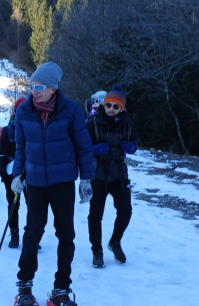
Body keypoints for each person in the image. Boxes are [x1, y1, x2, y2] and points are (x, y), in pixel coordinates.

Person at [10, 62, 94, 306]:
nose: (33, 91)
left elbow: (83, 146)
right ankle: (24, 287)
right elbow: (20, 148)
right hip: (35, 183)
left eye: (39, 86)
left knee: (65, 234)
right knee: (33, 232)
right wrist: (17, 175)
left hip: (63, 182)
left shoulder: (71, 111)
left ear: (52, 89)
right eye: (32, 85)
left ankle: (61, 290)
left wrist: (86, 178)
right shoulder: (24, 111)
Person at [85, 85, 138, 268]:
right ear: (104, 105)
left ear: (122, 108)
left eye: (116, 107)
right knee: (95, 215)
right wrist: (93, 149)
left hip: (119, 174)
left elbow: (135, 141)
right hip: (98, 174)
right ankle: (97, 250)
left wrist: (131, 146)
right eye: (109, 105)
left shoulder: (127, 124)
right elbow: (81, 147)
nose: (111, 110)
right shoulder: (92, 123)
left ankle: (115, 241)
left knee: (125, 210)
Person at [0, 98, 28, 249]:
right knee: (13, 205)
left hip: (30, 174)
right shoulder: (7, 130)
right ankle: (14, 234)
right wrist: (4, 174)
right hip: (11, 175)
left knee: (33, 206)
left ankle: (31, 235)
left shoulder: (34, 127)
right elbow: (1, 154)